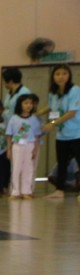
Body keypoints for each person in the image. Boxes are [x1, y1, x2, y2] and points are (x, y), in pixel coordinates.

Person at [42, 64, 80, 199]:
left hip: (76, 133)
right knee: (62, 162)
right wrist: (37, 113)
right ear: (53, 76)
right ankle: (59, 190)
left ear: (69, 75)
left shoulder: (75, 90)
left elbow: (72, 112)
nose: (61, 77)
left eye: (64, 73)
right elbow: (51, 107)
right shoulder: (53, 92)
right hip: (62, 135)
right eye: (57, 74)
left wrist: (53, 123)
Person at [7, 94, 41, 200]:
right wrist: (9, 149)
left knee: (28, 168)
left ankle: (26, 191)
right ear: (20, 104)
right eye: (26, 103)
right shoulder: (14, 118)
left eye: (30, 103)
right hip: (17, 145)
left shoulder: (34, 119)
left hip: (30, 144)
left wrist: (35, 149)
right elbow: (9, 135)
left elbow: (36, 135)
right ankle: (15, 191)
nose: (29, 105)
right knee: (16, 168)